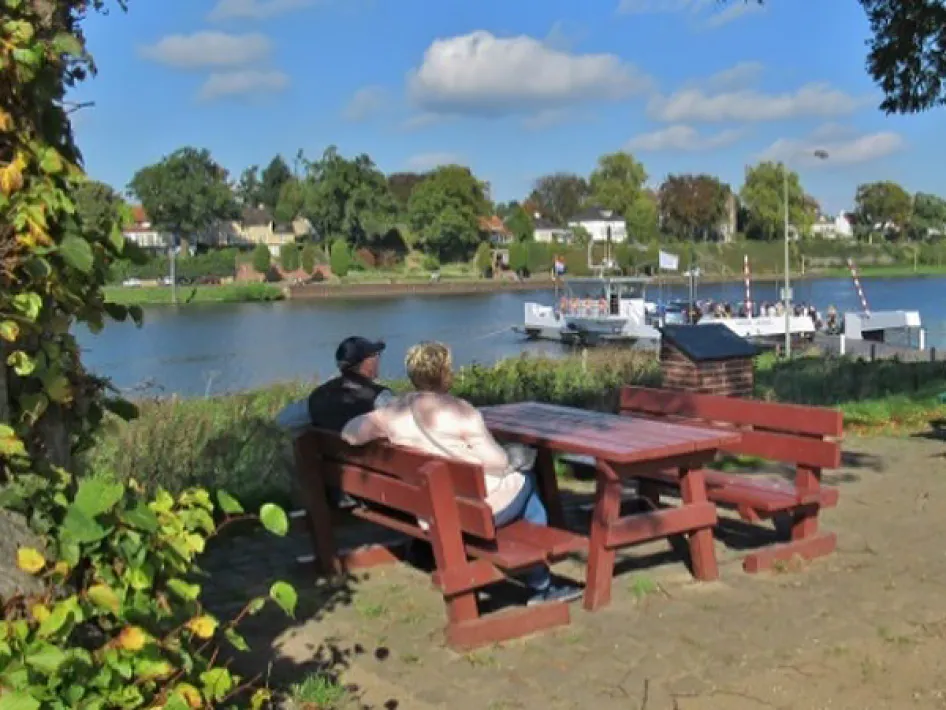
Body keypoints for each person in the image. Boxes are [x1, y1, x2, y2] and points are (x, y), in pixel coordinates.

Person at [340, 341, 583, 606]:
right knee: (526, 480)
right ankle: (541, 583)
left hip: (430, 511)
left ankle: (535, 568)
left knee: (514, 485)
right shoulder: (461, 411)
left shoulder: (394, 411)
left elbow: (350, 433)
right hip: (471, 514)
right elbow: (498, 461)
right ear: (445, 373)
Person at [276, 336, 393, 506]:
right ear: (366, 363)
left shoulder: (320, 396)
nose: (378, 360)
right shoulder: (379, 398)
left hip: (335, 487)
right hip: (376, 492)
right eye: (375, 356)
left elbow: (283, 420)